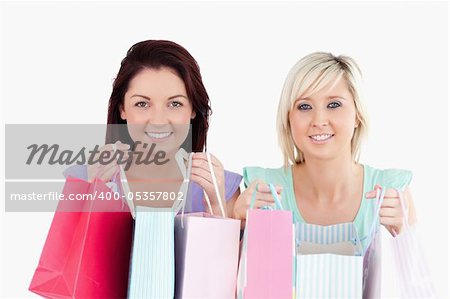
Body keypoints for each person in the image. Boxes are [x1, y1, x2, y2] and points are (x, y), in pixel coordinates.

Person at [233, 52, 417, 251]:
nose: (319, 120)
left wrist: (404, 232)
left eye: (334, 105)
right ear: (289, 119)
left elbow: (416, 276)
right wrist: (239, 226)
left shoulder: (390, 192)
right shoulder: (264, 192)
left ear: (357, 115)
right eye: (304, 106)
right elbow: (233, 278)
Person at [65, 39, 241, 215]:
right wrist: (89, 193)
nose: (158, 121)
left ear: (193, 109)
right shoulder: (83, 178)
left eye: (174, 104)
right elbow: (66, 241)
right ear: (122, 109)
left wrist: (217, 206)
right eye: (142, 104)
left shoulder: (222, 187)